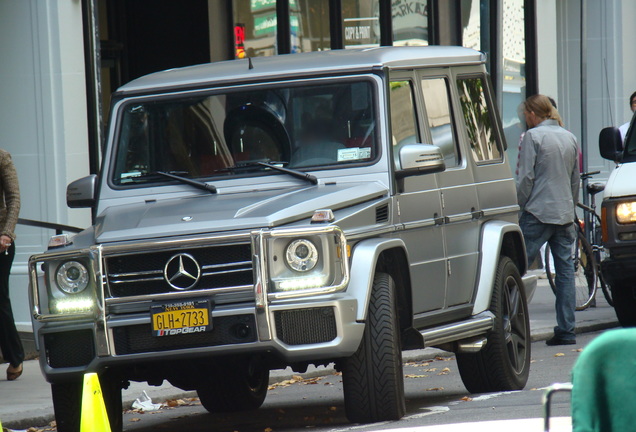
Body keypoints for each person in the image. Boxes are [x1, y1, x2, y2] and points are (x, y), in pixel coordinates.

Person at [517, 94, 580, 346]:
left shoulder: (533, 136)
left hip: (538, 213)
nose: (525, 118)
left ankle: (505, 324)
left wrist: (520, 206)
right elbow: (575, 179)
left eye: (526, 114)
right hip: (564, 214)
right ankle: (567, 330)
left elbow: (525, 178)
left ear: (533, 114)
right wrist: (570, 205)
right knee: (565, 273)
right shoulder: (569, 136)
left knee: (513, 266)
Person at [0, 149, 23, 380]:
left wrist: (7, 233)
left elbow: (14, 198)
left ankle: (15, 357)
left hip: (0, 242)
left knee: (0, 299)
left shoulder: (2, 157)